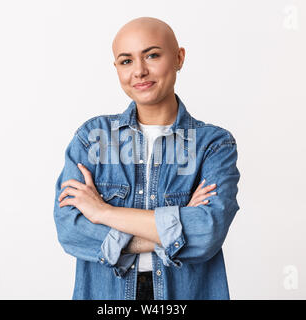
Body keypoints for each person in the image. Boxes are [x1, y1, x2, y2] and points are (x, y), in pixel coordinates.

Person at [53, 16, 240, 300]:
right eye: (126, 61)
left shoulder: (213, 144)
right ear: (116, 68)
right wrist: (172, 231)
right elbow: (71, 230)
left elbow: (206, 234)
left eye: (152, 55)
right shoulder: (92, 137)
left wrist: (104, 212)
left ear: (179, 58)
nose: (139, 71)